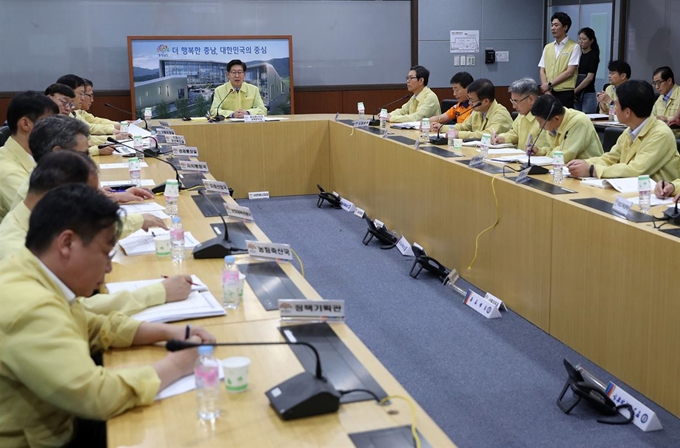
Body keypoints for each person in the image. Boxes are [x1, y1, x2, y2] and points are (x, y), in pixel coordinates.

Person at [0, 182, 215, 447]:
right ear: (67, 243)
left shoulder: (32, 269)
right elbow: (97, 397)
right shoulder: (28, 306)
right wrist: (178, 365)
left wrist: (166, 331)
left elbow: (88, 325)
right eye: (104, 253)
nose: (109, 268)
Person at [0, 151, 192, 315]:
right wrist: (158, 293)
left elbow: (92, 232)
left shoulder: (44, 219)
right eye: (88, 196)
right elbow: (76, 311)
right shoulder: (15, 249)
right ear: (61, 195)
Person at [11, 116, 159, 235]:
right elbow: (89, 230)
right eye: (84, 154)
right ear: (58, 153)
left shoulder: (50, 180)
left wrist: (116, 195)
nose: (88, 161)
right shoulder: (47, 193)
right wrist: (139, 220)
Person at [567, 80, 680, 181]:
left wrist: (592, 170)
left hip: (656, 198)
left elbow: (636, 170)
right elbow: (610, 158)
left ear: (627, 112)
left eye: (615, 105)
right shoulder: (630, 130)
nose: (614, 109)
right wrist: (584, 163)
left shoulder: (661, 133)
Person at [0, 91, 58, 221]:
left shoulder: (36, 154)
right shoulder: (7, 170)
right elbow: (44, 216)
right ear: (26, 124)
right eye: (49, 123)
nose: (55, 130)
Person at [529, 95, 603, 162]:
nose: (540, 127)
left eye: (540, 122)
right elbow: (556, 149)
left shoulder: (578, 121)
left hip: (588, 172)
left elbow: (564, 156)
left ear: (556, 118)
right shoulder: (553, 123)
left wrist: (545, 155)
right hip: (566, 170)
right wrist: (539, 151)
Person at [438, 78, 512, 139]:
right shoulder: (478, 111)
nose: (470, 103)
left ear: (486, 101)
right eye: (469, 99)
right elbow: (464, 127)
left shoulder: (501, 114)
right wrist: (441, 128)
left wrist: (459, 135)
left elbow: (488, 134)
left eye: (472, 100)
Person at [538, 12, 581, 108]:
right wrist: (546, 89)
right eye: (552, 25)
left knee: (564, 119)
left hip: (565, 92)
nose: (553, 28)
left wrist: (549, 84)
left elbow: (570, 71)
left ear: (565, 27)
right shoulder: (548, 47)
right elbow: (542, 70)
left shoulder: (574, 46)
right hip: (548, 91)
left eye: (556, 25)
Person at [493, 78, 547, 150]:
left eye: (516, 101)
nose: (514, 106)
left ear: (531, 99)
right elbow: (515, 133)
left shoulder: (546, 115)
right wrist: (502, 137)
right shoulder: (522, 113)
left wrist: (538, 150)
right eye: (512, 101)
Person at [574, 27, 600, 113]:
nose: (581, 41)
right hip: (576, 94)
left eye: (584, 39)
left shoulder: (593, 55)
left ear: (591, 40)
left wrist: (576, 90)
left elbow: (589, 78)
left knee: (588, 120)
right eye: (579, 39)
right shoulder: (578, 54)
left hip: (588, 93)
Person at [650, 66, 680, 137]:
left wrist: (666, 119)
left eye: (659, 83)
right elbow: (652, 118)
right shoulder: (659, 99)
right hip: (660, 136)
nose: (657, 87)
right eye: (654, 83)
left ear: (669, 81)